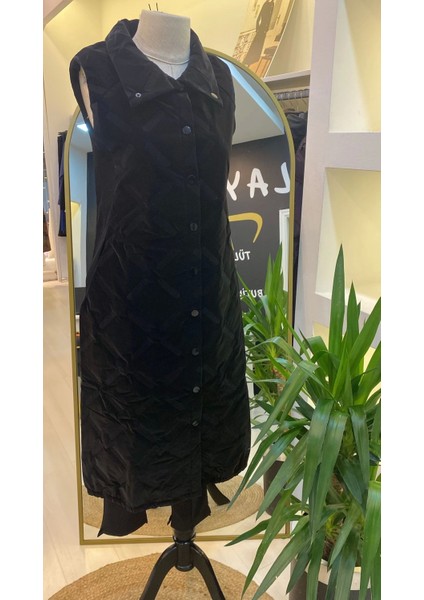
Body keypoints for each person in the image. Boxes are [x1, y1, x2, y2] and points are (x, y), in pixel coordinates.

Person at [69, 9, 251, 537]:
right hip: (133, 317)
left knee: (204, 430)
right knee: (141, 437)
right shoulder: (97, 71)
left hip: (210, 306)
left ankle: (190, 514)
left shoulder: (219, 80)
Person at [243, 0, 275, 68]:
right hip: (261, 27)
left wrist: (267, 28)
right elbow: (260, 16)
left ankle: (255, 58)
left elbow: (269, 18)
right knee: (256, 43)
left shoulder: (272, 4)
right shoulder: (266, 4)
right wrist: (257, 27)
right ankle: (249, 59)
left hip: (264, 29)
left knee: (260, 43)